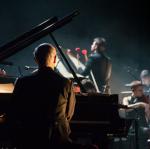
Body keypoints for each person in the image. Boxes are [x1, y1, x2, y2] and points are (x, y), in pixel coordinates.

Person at [10, 43, 76, 149]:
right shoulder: (66, 83)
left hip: (29, 138)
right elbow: (68, 114)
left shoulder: (22, 82)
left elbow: (14, 111)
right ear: (55, 59)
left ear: (36, 59)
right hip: (57, 139)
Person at [122, 81, 150, 149]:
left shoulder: (145, 99)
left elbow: (148, 116)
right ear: (133, 90)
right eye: (140, 90)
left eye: (142, 90)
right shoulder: (126, 99)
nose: (142, 92)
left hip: (143, 129)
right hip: (131, 128)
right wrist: (139, 104)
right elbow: (126, 108)